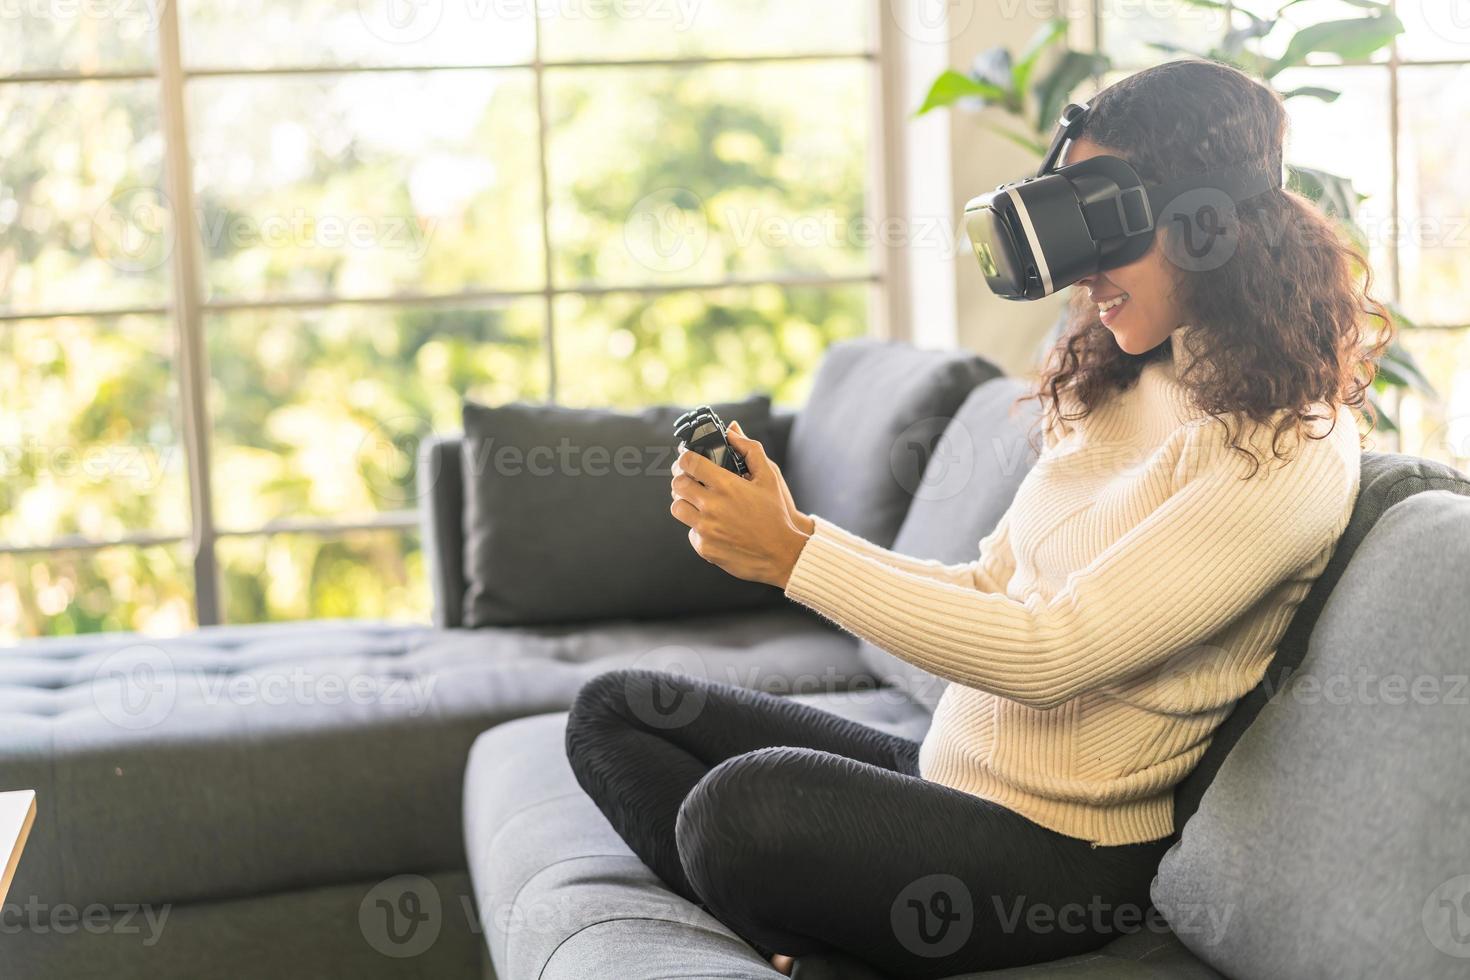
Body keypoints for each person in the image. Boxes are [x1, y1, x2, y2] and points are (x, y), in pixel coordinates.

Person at [565, 59, 1389, 979]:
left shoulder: (1284, 451)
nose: (1083, 274)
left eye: (1101, 223)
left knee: (736, 811)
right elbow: (991, 585)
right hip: (948, 779)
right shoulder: (1123, 379)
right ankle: (819, 943)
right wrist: (796, 531)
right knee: (614, 713)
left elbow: (1051, 654)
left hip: (1060, 858)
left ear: (1208, 227)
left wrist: (793, 559)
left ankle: (818, 937)